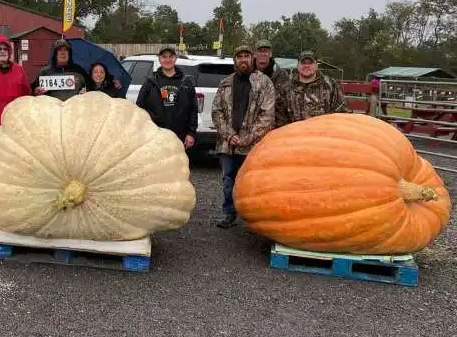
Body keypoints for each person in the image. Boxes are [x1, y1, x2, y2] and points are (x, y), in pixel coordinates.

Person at [211, 45, 275, 229]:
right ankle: (229, 213)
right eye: (239, 56)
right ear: (235, 61)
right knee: (228, 179)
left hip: (253, 144)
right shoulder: (225, 83)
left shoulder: (264, 83)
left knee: (252, 182)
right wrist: (229, 135)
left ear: (252, 59)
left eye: (247, 56)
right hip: (228, 143)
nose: (243, 59)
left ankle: (252, 217)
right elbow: (216, 112)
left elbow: (267, 115)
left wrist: (248, 137)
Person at [136, 46, 198, 152]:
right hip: (155, 136)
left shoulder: (186, 82)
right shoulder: (150, 82)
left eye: (171, 56)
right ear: (159, 59)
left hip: (180, 137)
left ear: (175, 58)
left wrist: (191, 133)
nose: (168, 60)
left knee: (178, 167)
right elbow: (139, 108)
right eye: (164, 57)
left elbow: (193, 110)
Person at [275, 51, 347, 127]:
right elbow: (279, 116)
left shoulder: (331, 85)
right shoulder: (286, 88)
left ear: (316, 65)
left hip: (324, 134)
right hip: (293, 135)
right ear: (298, 65)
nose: (306, 66)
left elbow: (342, 112)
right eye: (303, 63)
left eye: (310, 63)